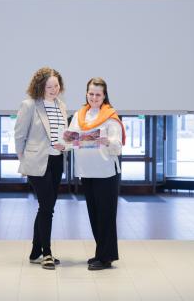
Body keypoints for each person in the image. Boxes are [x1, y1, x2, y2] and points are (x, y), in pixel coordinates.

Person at [67, 77, 126, 271]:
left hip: (106, 172)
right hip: (87, 171)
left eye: (98, 94)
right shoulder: (79, 115)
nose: (94, 97)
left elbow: (118, 147)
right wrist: (65, 141)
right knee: (94, 215)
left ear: (104, 95)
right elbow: (71, 137)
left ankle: (107, 257)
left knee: (106, 215)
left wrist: (107, 141)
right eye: (91, 93)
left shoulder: (111, 117)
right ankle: (101, 253)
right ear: (86, 93)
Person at [14, 67, 68, 270]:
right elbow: (19, 135)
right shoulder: (29, 105)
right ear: (40, 86)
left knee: (47, 207)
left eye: (56, 85)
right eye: (49, 86)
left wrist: (66, 144)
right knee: (47, 208)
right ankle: (47, 253)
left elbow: (62, 133)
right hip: (37, 162)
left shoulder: (61, 105)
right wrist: (24, 160)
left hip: (56, 161)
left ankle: (35, 252)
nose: (54, 89)